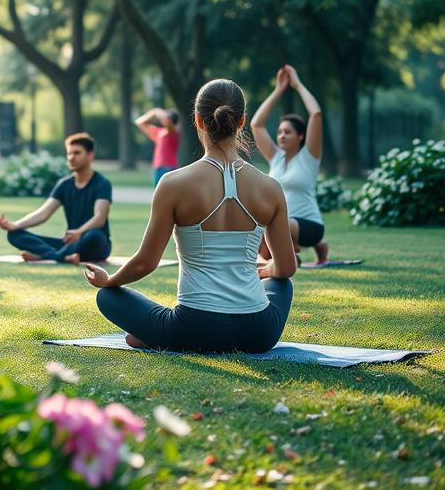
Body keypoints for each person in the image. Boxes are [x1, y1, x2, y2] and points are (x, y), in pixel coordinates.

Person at [84, 79, 296, 353]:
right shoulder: (270, 187)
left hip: (195, 327)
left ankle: (160, 336)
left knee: (108, 298)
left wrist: (109, 281)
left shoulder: (173, 183)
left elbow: (146, 263)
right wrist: (266, 271)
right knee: (282, 284)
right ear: (242, 121)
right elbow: (287, 268)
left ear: (198, 120)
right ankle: (162, 335)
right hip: (258, 332)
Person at [250, 65, 328, 263]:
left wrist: (297, 85)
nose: (281, 136)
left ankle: (288, 252)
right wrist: (279, 90)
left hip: (309, 226)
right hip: (281, 225)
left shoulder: (309, 156)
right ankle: (289, 252)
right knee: (265, 229)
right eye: (279, 132)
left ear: (300, 136)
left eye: (288, 132)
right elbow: (256, 124)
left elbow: (316, 114)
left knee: (272, 227)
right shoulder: (276, 157)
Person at [0, 133, 113, 264]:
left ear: (90, 155)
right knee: (14, 234)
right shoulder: (64, 184)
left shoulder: (102, 183)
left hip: (94, 244)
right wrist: (15, 225)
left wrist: (79, 232)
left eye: (77, 153)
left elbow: (100, 218)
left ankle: (46, 255)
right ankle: (62, 257)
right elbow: (42, 214)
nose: (71, 158)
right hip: (70, 244)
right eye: (69, 153)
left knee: (94, 235)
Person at [135, 107, 180, 185]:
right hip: (157, 168)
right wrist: (153, 112)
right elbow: (139, 123)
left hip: (169, 167)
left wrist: (158, 112)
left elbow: (167, 123)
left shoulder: (175, 131)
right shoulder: (160, 132)